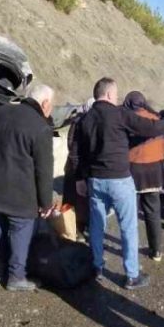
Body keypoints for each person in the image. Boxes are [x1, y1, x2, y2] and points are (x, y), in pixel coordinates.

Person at [73, 78, 164, 289]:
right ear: (111, 95)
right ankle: (131, 275)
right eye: (117, 94)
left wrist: (79, 179)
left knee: (96, 225)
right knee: (128, 227)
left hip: (95, 180)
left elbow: (76, 152)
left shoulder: (84, 119)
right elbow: (148, 127)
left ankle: (97, 267)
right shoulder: (119, 114)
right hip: (119, 179)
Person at [0, 84, 57, 291]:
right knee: (20, 231)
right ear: (45, 104)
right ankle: (16, 277)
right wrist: (46, 203)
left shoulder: (1, 112)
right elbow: (43, 170)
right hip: (19, 194)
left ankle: (1, 267)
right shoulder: (40, 128)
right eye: (51, 105)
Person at [123, 91, 164, 262]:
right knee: (153, 212)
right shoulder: (156, 118)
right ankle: (156, 251)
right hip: (154, 171)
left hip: (132, 170)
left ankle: (131, 250)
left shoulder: (127, 119)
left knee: (131, 213)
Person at [62, 98, 96, 235]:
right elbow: (72, 146)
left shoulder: (84, 122)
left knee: (80, 200)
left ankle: (78, 227)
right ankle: (72, 229)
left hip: (79, 167)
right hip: (75, 168)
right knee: (74, 200)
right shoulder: (79, 122)